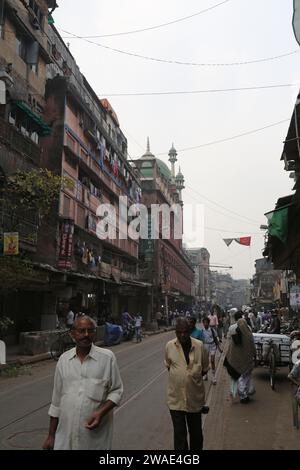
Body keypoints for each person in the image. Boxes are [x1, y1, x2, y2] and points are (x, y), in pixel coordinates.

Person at [43, 316, 123, 450]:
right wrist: (51, 436)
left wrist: (101, 412)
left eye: (90, 330)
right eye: (81, 331)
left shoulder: (107, 358)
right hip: (65, 438)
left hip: (94, 440)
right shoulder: (63, 360)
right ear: (72, 334)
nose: (86, 334)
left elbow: (117, 391)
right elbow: (56, 401)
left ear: (95, 333)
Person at [165, 317, 209, 451]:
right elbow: (168, 366)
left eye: (185, 332)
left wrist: (190, 378)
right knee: (179, 435)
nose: (182, 335)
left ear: (190, 331)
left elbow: (204, 369)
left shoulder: (199, 346)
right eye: (179, 332)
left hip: (194, 399)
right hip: (176, 399)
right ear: (175, 332)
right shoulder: (169, 346)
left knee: (196, 434)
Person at [224, 317, 256, 404]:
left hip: (238, 362)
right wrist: (255, 356)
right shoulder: (249, 334)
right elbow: (253, 346)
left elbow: (231, 349)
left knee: (241, 378)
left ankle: (243, 395)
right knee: (246, 378)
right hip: (247, 361)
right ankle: (244, 395)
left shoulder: (235, 336)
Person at [201, 317, 222, 385]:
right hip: (205, 346)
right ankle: (206, 375)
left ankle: (213, 377)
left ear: (208, 323)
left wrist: (219, 348)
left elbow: (216, 339)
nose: (205, 324)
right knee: (205, 362)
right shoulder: (202, 331)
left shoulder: (212, 330)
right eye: (204, 323)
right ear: (203, 323)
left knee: (212, 361)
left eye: (206, 322)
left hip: (212, 346)